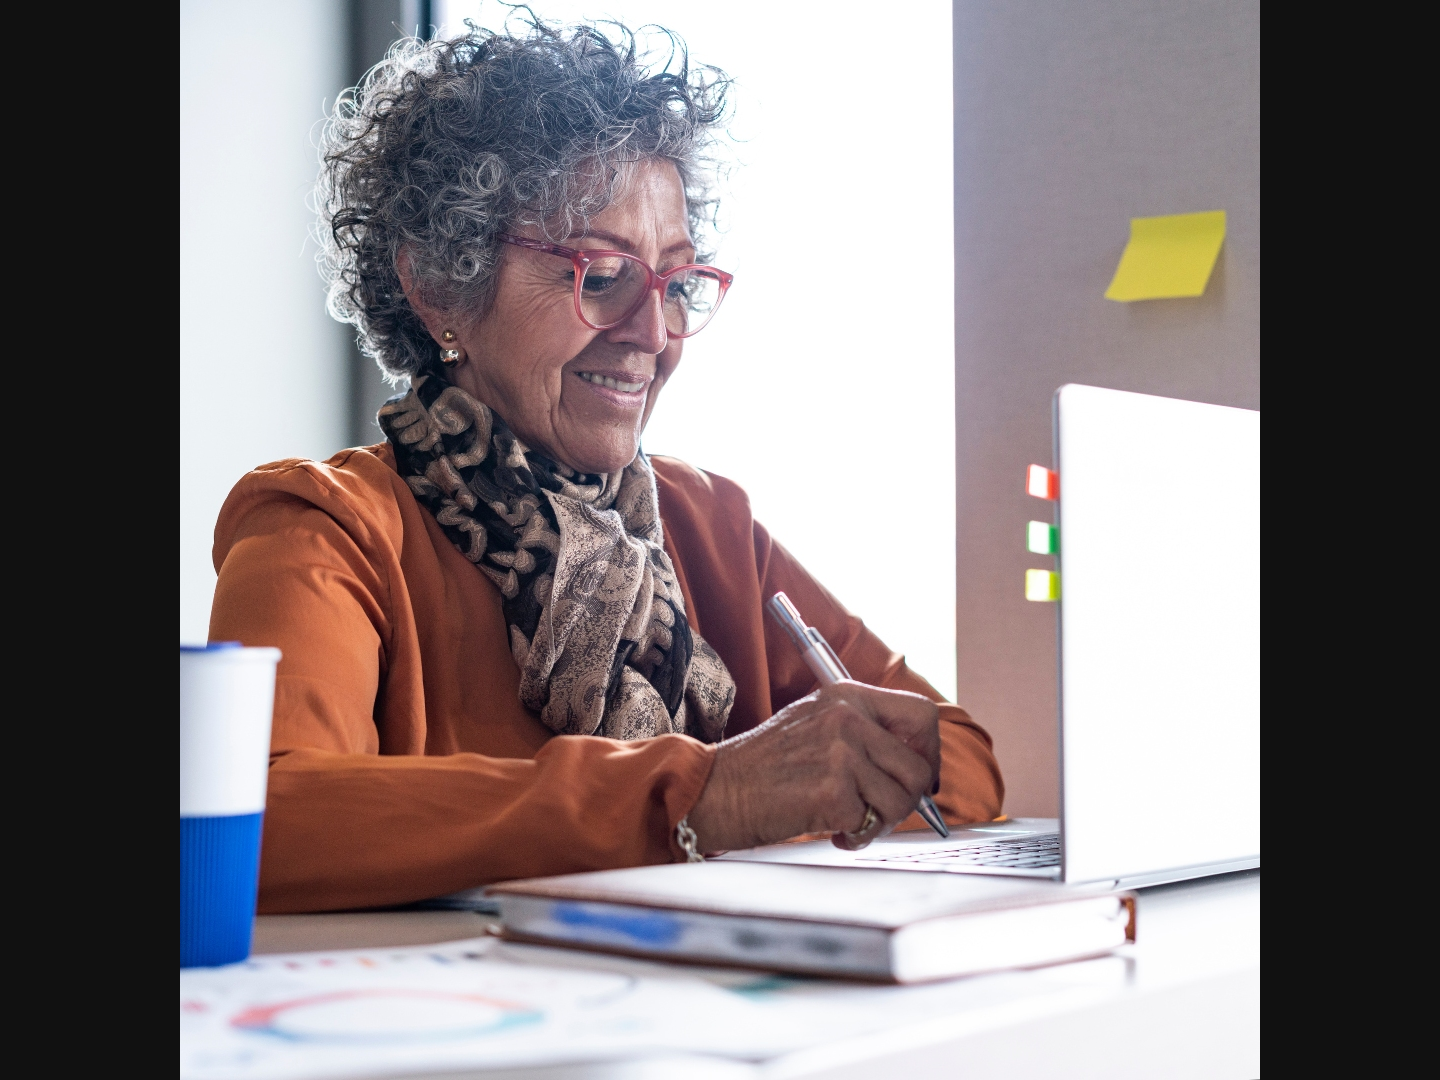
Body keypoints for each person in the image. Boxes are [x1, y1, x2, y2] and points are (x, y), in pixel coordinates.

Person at [209, 16, 1003, 913]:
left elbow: (962, 759)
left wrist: (816, 776)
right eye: (600, 275)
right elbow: (260, 821)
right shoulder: (327, 526)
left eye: (675, 283)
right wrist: (709, 794)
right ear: (439, 286)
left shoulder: (712, 526)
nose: (652, 334)